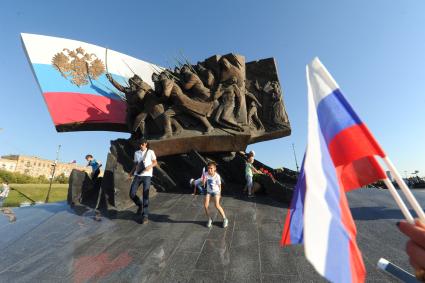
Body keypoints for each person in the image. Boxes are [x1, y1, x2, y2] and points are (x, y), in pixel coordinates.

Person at [128, 138, 157, 224]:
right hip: (138, 175)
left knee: (145, 195)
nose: (140, 146)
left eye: (142, 144)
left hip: (147, 176)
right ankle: (139, 205)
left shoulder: (150, 152)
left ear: (145, 144)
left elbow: (155, 162)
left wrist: (150, 166)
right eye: (139, 144)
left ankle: (145, 216)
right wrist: (131, 173)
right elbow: (136, 164)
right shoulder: (136, 153)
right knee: (132, 193)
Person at [203, 161, 228, 228]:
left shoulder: (217, 176)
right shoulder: (205, 174)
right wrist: (203, 181)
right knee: (205, 206)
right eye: (208, 168)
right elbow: (203, 183)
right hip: (209, 192)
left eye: (211, 168)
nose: (209, 170)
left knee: (217, 205)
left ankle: (225, 219)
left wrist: (220, 193)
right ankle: (209, 219)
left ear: (214, 169)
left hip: (216, 192)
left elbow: (219, 185)